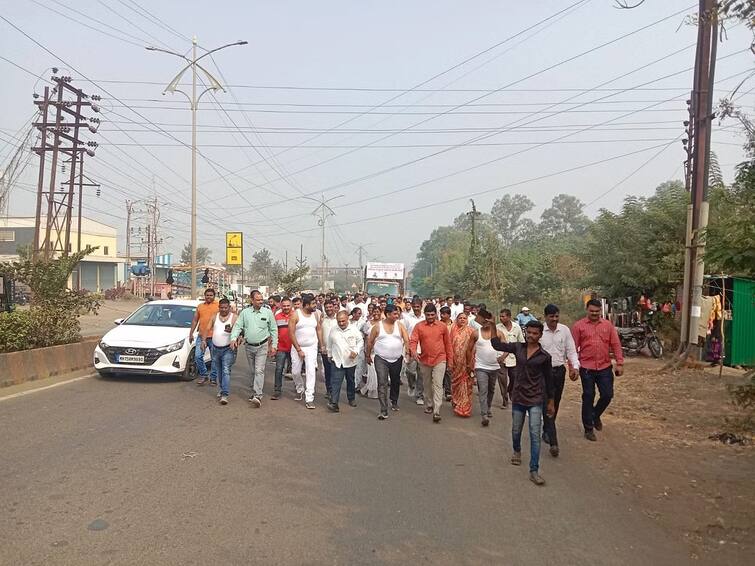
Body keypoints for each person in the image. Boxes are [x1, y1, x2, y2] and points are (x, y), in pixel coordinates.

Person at [492, 320, 555, 486]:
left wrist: (551, 402)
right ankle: (517, 451)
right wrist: (492, 326)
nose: (532, 336)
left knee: (535, 434)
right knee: (516, 430)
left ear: (540, 335)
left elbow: (549, 381)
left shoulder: (544, 357)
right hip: (518, 396)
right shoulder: (518, 347)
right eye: (529, 332)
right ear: (525, 332)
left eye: (536, 333)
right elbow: (497, 345)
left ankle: (534, 469)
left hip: (536, 398)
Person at [572, 299, 624, 441]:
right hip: (587, 368)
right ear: (587, 310)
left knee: (607, 395)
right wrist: (573, 367)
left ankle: (595, 415)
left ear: (600, 311)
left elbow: (616, 344)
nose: (594, 313)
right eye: (592, 311)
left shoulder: (608, 325)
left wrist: (619, 363)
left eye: (597, 311)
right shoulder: (579, 326)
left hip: (604, 367)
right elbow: (572, 348)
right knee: (588, 396)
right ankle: (588, 428)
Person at [540, 304, 580, 456]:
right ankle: (554, 442)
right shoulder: (540, 331)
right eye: (551, 317)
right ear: (546, 317)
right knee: (547, 402)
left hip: (559, 371)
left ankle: (547, 429)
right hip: (543, 373)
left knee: (555, 402)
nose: (554, 319)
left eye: (557, 316)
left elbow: (571, 350)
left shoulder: (564, 330)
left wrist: (574, 367)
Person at [230, 290, 278, 408]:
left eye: (261, 299)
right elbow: (238, 326)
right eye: (258, 300)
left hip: (262, 346)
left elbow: (273, 329)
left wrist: (274, 345)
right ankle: (255, 388)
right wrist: (233, 338)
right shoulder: (245, 313)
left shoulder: (267, 312)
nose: (260, 301)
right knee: (253, 370)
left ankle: (258, 395)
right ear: (252, 300)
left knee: (259, 370)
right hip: (249, 347)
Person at [409, 303, 454, 423]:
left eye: (432, 315)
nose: (430, 317)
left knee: (438, 384)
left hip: (440, 359)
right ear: (424, 315)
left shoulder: (442, 327)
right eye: (428, 315)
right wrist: (413, 351)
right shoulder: (419, 326)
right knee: (427, 384)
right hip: (424, 360)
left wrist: (450, 361)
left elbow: (448, 345)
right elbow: (413, 340)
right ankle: (429, 404)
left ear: (436, 314)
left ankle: (437, 410)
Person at [366, 304, 410, 419]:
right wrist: (367, 355)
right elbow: (370, 342)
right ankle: (383, 409)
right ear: (388, 314)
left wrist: (408, 352)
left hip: (397, 359)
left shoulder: (400, 325)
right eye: (395, 314)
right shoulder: (377, 326)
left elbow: (406, 339)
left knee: (395, 381)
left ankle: (393, 400)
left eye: (398, 313)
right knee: (382, 382)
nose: (397, 315)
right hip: (381, 359)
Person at [289, 293, 325, 409]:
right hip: (297, 347)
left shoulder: (315, 315)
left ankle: (309, 398)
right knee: (295, 372)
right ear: (305, 305)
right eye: (313, 304)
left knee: (311, 371)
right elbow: (291, 333)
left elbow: (319, 329)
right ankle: (300, 388)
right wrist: (298, 349)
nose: (315, 305)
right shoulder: (296, 315)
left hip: (311, 347)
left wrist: (321, 344)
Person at [326, 311, 363, 412]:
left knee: (350, 380)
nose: (341, 323)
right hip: (337, 360)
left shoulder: (354, 330)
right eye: (339, 321)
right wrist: (329, 354)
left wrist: (356, 351)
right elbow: (329, 342)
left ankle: (351, 398)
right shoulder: (334, 329)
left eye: (343, 321)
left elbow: (360, 341)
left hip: (350, 361)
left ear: (347, 319)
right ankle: (334, 403)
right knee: (335, 382)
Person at [473, 309, 500, 426]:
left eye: (488, 322)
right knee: (483, 390)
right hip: (480, 366)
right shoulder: (475, 333)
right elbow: (469, 349)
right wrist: (470, 364)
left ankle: (488, 407)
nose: (485, 324)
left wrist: (503, 357)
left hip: (494, 367)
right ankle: (484, 414)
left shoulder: (498, 333)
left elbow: (506, 346)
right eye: (483, 322)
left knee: (491, 389)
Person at [210, 298, 238, 405]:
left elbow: (239, 330)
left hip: (228, 348)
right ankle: (222, 389)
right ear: (219, 307)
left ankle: (225, 394)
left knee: (226, 369)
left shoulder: (234, 317)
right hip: (215, 348)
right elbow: (207, 328)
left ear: (229, 307)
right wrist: (203, 340)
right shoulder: (214, 317)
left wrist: (234, 334)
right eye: (221, 307)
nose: (224, 309)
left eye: (226, 307)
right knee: (219, 370)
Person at [189, 288, 219, 386]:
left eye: (211, 295)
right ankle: (204, 374)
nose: (209, 297)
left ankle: (213, 378)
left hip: (215, 337)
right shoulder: (200, 306)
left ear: (214, 296)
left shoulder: (218, 305)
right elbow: (194, 320)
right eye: (207, 295)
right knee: (198, 356)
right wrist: (191, 333)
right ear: (204, 296)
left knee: (214, 359)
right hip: (202, 337)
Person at [450, 312, 477, 418]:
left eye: (464, 318)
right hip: (455, 363)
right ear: (457, 319)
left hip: (467, 363)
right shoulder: (452, 331)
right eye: (460, 318)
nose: (462, 320)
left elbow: (474, 348)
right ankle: (456, 401)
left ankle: (464, 408)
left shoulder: (472, 331)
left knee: (466, 384)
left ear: (467, 320)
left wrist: (471, 362)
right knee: (456, 384)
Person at [496, 309, 524, 409]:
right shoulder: (497, 328)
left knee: (515, 379)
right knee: (502, 380)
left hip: (514, 359)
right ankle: (505, 400)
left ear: (509, 317)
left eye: (503, 316)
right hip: (500, 358)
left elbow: (521, 342)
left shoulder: (517, 328)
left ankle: (510, 391)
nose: (501, 318)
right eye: (500, 316)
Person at [401, 298, 425, 404]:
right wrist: (406, 349)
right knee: (410, 371)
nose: (416, 309)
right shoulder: (406, 318)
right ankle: (411, 385)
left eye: (417, 307)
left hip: (424, 349)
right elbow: (404, 333)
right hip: (411, 348)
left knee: (421, 373)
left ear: (421, 306)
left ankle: (419, 395)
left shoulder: (426, 317)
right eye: (414, 306)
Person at [272, 297, 294, 400]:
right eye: (284, 305)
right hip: (281, 347)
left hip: (294, 347)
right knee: (279, 369)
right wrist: (273, 346)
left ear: (291, 305)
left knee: (296, 370)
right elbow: (274, 332)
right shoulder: (277, 316)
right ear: (281, 306)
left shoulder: (295, 315)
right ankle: (277, 390)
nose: (286, 307)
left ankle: (298, 389)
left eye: (288, 305)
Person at [320, 300, 339, 402]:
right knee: (328, 372)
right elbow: (319, 332)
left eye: (330, 307)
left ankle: (335, 392)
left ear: (334, 307)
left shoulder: (338, 319)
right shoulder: (322, 319)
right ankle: (329, 391)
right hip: (326, 350)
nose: (328, 309)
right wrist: (321, 346)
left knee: (336, 372)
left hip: (337, 350)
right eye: (326, 307)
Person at [439, 305, 454, 401]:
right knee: (440, 371)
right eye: (441, 313)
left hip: (451, 350)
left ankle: (448, 392)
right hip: (440, 350)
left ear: (449, 315)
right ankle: (440, 390)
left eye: (444, 314)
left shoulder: (454, 326)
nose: (441, 315)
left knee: (449, 371)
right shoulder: (438, 324)